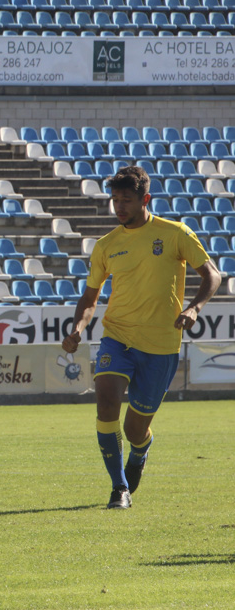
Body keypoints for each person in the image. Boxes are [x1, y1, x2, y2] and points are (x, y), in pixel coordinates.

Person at [61, 165, 220, 510]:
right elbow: (90, 298)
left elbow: (212, 275)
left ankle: (140, 451)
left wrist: (194, 308)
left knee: (135, 429)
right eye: (115, 200)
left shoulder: (175, 233)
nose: (119, 207)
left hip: (161, 345)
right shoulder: (106, 245)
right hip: (117, 337)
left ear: (145, 199)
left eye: (127, 200)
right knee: (105, 404)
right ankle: (119, 488)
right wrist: (77, 328)